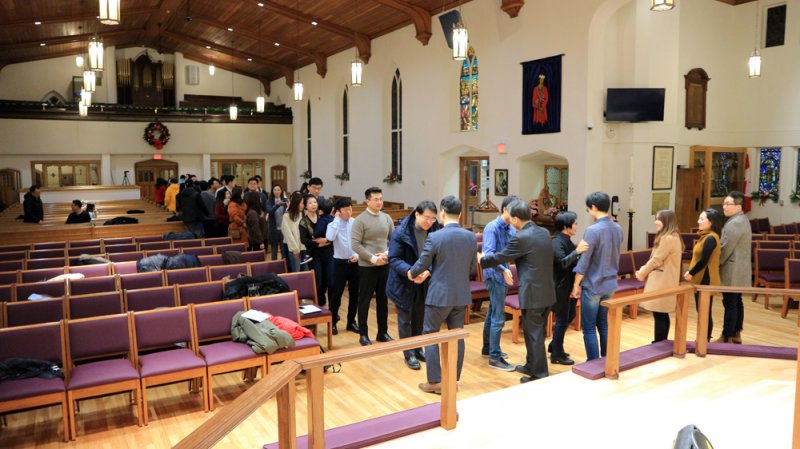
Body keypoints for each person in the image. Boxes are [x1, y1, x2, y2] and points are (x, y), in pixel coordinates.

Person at [481, 199, 555, 383]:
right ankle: (531, 365)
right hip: (547, 290)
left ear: (515, 219)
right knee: (535, 332)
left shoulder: (522, 237)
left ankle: (539, 374)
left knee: (534, 334)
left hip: (532, 293)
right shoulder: (544, 232)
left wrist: (482, 260)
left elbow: (502, 256)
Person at [410, 196, 477, 394]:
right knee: (457, 335)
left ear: (442, 213)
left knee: (431, 334)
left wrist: (412, 273)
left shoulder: (436, 237)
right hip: (461, 294)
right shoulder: (470, 236)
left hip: (439, 295)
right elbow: (472, 268)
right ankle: (452, 381)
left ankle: (435, 381)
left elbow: (422, 263)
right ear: (460, 214)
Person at [387, 201, 440, 370]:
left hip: (424, 281)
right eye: (426, 218)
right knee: (405, 319)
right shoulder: (401, 232)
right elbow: (394, 259)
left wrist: (428, 271)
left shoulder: (435, 229)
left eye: (433, 218)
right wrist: (409, 271)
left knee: (420, 317)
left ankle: (418, 349)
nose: (429, 222)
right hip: (403, 282)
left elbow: (438, 256)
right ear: (417, 214)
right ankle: (408, 354)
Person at [572, 192, 623, 361]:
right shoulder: (618, 228)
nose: (588, 212)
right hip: (610, 284)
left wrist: (575, 285)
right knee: (604, 324)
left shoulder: (592, 230)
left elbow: (584, 262)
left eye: (588, 209)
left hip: (593, 285)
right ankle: (607, 360)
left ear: (593, 207)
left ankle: (593, 363)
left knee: (588, 328)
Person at [351, 186, 395, 346]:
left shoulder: (387, 218)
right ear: (367, 201)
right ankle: (363, 334)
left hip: (384, 265)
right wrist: (372, 258)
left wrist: (386, 254)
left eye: (381, 199)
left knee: (383, 300)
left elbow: (394, 240)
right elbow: (355, 245)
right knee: (364, 300)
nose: (379, 202)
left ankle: (382, 332)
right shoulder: (360, 220)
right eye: (376, 199)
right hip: (367, 266)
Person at [480, 196, 518, 370]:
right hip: (494, 274)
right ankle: (494, 357)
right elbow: (488, 254)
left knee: (492, 311)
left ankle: (488, 348)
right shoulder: (492, 227)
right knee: (498, 316)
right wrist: (503, 269)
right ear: (505, 210)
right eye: (513, 211)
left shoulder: (511, 228)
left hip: (503, 273)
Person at [635, 210, 684, 343]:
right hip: (666, 279)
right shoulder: (673, 236)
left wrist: (642, 272)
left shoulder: (668, 238)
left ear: (667, 221)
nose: (656, 222)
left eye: (659, 219)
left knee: (659, 313)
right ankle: (662, 341)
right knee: (662, 313)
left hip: (662, 280)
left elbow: (656, 260)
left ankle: (659, 343)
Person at [549, 211, 585, 366]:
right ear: (565, 226)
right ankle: (557, 354)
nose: (576, 226)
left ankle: (554, 345)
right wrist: (577, 251)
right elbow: (562, 263)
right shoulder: (556, 242)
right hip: (560, 286)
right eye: (574, 223)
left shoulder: (567, 240)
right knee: (563, 319)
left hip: (568, 285)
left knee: (570, 315)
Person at [683, 209, 723, 341]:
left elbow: (704, 260)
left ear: (711, 222)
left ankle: (704, 340)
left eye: (701, 219)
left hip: (706, 278)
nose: (698, 221)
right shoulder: (705, 236)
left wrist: (691, 272)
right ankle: (702, 339)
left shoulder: (711, 238)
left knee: (704, 311)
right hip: (702, 277)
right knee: (702, 311)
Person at [718, 191, 752, 344]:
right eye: (724, 203)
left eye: (728, 204)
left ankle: (727, 336)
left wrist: (715, 264)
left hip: (732, 269)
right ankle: (736, 333)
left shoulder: (734, 223)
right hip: (740, 268)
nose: (724, 206)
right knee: (737, 301)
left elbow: (725, 249)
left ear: (738, 206)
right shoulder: (743, 219)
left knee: (730, 303)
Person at [326, 198, 361, 335]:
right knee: (336, 295)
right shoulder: (333, 224)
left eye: (350, 208)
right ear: (338, 211)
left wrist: (357, 255)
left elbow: (361, 242)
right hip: (339, 264)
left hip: (355, 262)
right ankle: (333, 322)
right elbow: (330, 237)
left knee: (355, 294)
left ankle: (351, 322)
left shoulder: (355, 222)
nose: (349, 212)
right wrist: (336, 219)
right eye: (345, 209)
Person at [299, 195, 333, 306]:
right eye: (310, 203)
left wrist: (326, 241)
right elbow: (304, 240)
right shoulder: (303, 222)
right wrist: (317, 244)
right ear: (305, 206)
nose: (313, 205)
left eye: (315, 202)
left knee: (329, 280)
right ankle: (319, 303)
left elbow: (333, 233)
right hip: (314, 255)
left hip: (328, 253)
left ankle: (328, 303)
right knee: (318, 281)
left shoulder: (323, 217)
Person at [281, 191, 307, 272]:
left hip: (304, 247)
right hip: (294, 249)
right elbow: (287, 234)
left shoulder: (303, 214)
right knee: (296, 271)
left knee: (305, 271)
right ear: (296, 203)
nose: (303, 205)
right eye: (302, 203)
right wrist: (295, 249)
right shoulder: (287, 216)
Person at [267, 184, 289, 260]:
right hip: (274, 229)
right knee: (274, 251)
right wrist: (277, 205)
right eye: (275, 190)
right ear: (272, 191)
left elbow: (289, 212)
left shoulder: (285, 200)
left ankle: (285, 265)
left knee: (284, 251)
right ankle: (274, 266)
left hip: (284, 229)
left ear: (281, 191)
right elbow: (270, 212)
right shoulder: (269, 201)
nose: (276, 191)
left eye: (278, 190)